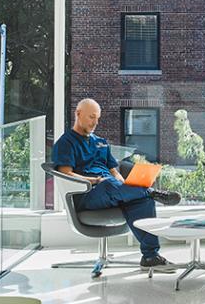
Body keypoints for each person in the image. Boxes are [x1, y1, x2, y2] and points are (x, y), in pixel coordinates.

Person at [54, 98, 181, 271]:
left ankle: (150, 256)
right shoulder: (66, 142)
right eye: (91, 117)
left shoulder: (101, 142)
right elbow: (65, 173)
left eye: (97, 118)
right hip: (87, 194)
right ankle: (151, 192)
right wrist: (95, 181)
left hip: (112, 189)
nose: (95, 122)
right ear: (78, 114)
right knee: (109, 185)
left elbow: (114, 171)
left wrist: (127, 186)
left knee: (142, 200)